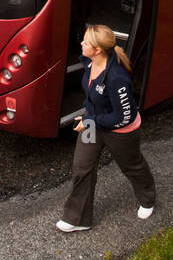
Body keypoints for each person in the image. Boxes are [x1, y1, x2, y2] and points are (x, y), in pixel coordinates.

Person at [56, 24, 156, 232]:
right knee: (82, 167)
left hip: (120, 131)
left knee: (132, 166)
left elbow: (124, 117)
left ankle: (148, 199)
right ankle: (78, 219)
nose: (81, 44)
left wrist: (91, 121)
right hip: (93, 122)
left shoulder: (117, 79)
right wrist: (90, 119)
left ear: (98, 49)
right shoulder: (89, 61)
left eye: (86, 42)